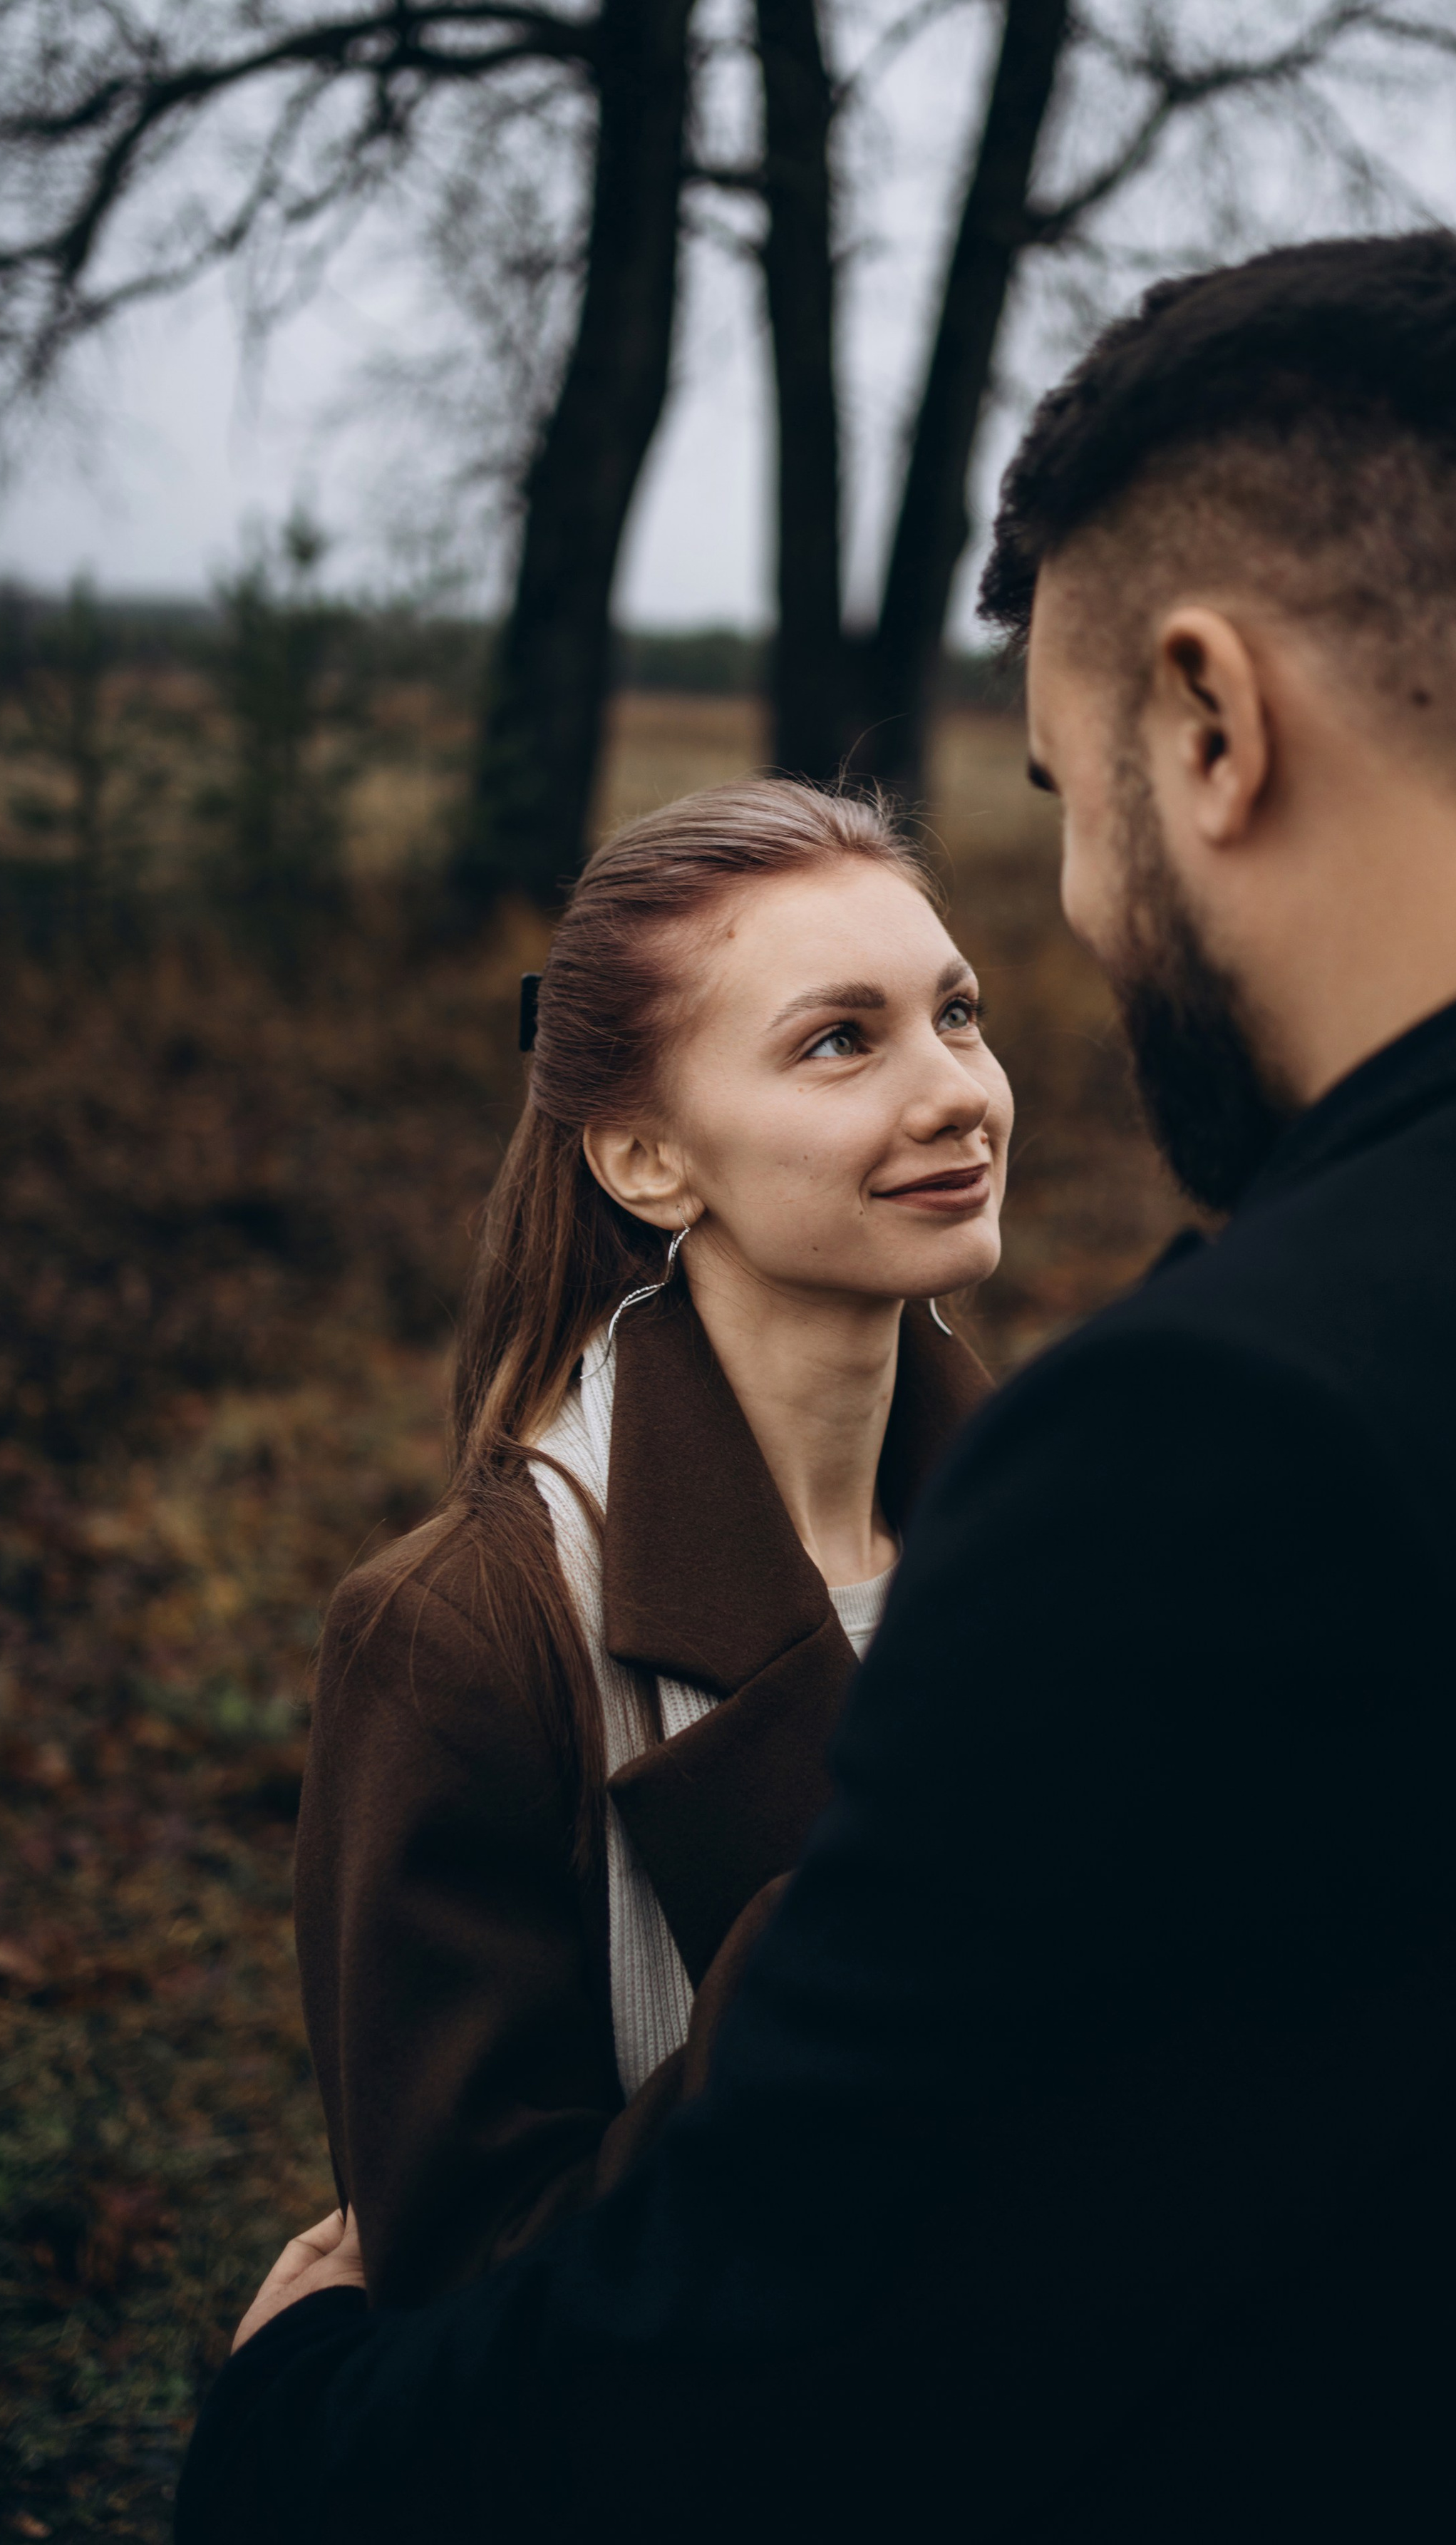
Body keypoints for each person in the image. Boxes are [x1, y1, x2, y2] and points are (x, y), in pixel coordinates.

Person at [178, 230, 1456, 2542]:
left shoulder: (1224, 1453)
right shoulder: (491, 1629)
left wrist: (296, 2428)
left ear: (1211, 723)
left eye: (1060, 794)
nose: (1061, 926)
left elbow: (777, 2358)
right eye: (840, 1035)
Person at [293, 779, 1005, 2305]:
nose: (956, 1090)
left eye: (957, 1013)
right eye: (839, 1040)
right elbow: (479, 2285)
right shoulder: (466, 1637)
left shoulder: (1070, 1543)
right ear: (645, 1162)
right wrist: (903, 1908)